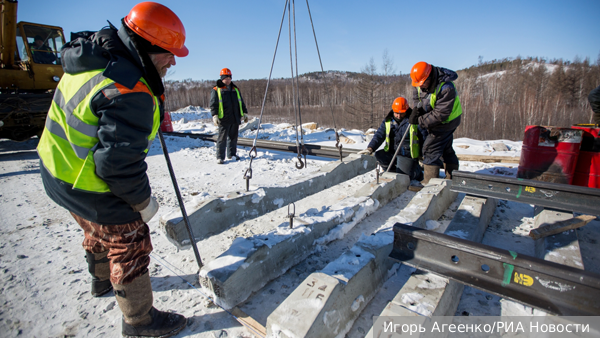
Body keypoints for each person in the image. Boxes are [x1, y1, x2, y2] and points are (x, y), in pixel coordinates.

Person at [36, 2, 188, 337]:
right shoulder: (128, 88)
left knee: (96, 229)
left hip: (56, 170)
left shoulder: (92, 58)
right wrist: (143, 202)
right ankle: (140, 322)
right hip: (86, 181)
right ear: (147, 48)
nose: (173, 61)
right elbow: (117, 168)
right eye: (168, 53)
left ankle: (101, 281)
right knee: (130, 239)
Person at [409, 61, 463, 184]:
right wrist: (417, 111)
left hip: (447, 121)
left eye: (422, 84)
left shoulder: (446, 88)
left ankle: (429, 183)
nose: (420, 87)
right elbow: (417, 99)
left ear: (430, 77)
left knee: (430, 149)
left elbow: (440, 114)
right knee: (446, 148)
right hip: (434, 118)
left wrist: (419, 120)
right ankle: (452, 178)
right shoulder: (419, 83)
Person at [358, 97, 427, 181]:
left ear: (406, 110)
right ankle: (392, 171)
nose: (399, 116)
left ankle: (417, 171)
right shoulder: (388, 120)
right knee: (379, 155)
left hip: (407, 154)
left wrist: (423, 155)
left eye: (402, 113)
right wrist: (370, 148)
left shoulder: (414, 120)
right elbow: (379, 135)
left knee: (404, 177)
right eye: (396, 113)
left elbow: (424, 136)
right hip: (392, 152)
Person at [210, 68, 249, 164]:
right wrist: (214, 115)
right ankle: (220, 157)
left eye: (229, 78)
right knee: (222, 138)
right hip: (224, 118)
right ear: (222, 78)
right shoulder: (216, 90)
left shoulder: (235, 89)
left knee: (233, 137)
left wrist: (244, 112)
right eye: (225, 78)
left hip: (235, 117)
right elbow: (213, 104)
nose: (227, 80)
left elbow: (241, 102)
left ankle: (232, 154)